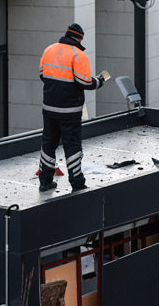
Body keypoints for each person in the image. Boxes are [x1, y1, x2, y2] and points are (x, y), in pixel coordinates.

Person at [37, 23, 107, 192]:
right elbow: (84, 82)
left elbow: (42, 75)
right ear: (79, 38)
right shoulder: (78, 55)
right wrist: (100, 81)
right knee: (72, 146)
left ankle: (45, 181)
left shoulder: (49, 50)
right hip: (70, 112)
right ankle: (77, 183)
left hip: (49, 109)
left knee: (48, 143)